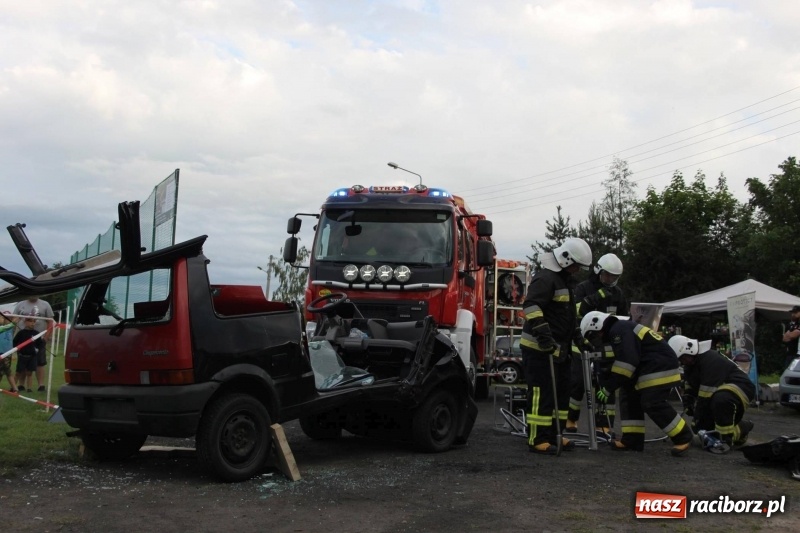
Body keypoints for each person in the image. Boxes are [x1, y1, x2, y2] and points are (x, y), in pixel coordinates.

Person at [580, 311, 694, 456]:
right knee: (628, 396)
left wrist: (608, 387)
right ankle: (632, 440)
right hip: (648, 366)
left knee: (652, 402)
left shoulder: (618, 330)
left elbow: (627, 363)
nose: (596, 340)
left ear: (598, 326)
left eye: (593, 335)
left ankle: (683, 436)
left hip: (658, 366)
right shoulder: (619, 329)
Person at [520, 237, 592, 455]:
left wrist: (579, 338)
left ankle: (556, 435)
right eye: (576, 265)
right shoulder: (545, 278)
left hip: (559, 348)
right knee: (542, 393)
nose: (578, 270)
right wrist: (543, 333)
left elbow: (569, 316)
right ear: (565, 258)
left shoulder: (564, 281)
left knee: (561, 392)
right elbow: (531, 306)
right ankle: (537, 439)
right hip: (539, 347)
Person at [566, 253, 628, 434]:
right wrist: (596, 297)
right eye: (608, 275)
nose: (611, 279)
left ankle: (604, 424)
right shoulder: (584, 288)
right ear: (598, 271)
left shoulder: (618, 294)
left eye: (615, 277)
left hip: (606, 347)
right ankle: (570, 420)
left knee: (605, 385)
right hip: (582, 343)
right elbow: (575, 311)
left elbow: (624, 318)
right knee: (577, 382)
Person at [668, 335, 755, 450]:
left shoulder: (710, 359)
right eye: (680, 360)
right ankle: (740, 430)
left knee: (721, 399)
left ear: (690, 349)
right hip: (721, 390)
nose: (683, 361)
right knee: (705, 430)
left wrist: (697, 420)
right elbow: (691, 383)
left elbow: (705, 396)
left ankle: (725, 440)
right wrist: (688, 398)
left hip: (741, 387)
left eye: (683, 358)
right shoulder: (691, 364)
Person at [12, 296, 54, 392]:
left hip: (38, 339)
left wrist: (46, 337)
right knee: (22, 363)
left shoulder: (45, 304)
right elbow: (13, 320)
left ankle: (40, 385)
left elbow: (50, 322)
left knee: (40, 362)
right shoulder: (20, 305)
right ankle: (21, 385)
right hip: (23, 340)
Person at [13, 316, 44, 393]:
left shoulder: (36, 333)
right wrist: (17, 348)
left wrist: (37, 349)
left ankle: (29, 388)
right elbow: (15, 342)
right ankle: (13, 387)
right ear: (25, 322)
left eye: (34, 322)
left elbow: (40, 344)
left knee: (29, 373)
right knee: (18, 372)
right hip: (22, 355)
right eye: (30, 321)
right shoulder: (21, 333)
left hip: (32, 356)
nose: (32, 323)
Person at [0, 312, 19, 393]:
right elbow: (9, 325)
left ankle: (15, 388)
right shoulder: (2, 328)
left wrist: (15, 319)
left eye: (9, 318)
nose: (5, 319)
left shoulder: (11, 328)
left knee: (5, 371)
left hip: (8, 353)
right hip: (1, 353)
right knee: (5, 371)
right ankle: (15, 388)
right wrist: (13, 322)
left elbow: (15, 322)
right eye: (3, 317)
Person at [781, 306, 800, 371]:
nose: (793, 314)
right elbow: (784, 338)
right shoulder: (792, 324)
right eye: (792, 313)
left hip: (797, 353)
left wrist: (789, 334)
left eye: (795, 312)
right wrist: (790, 334)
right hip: (790, 353)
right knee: (787, 371)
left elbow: (794, 334)